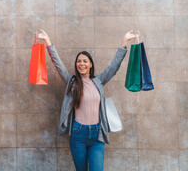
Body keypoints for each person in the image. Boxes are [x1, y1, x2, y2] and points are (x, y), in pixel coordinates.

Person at [37, 29, 139, 171]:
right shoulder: (71, 81)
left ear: (91, 64)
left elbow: (113, 67)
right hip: (78, 134)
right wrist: (47, 42)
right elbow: (58, 64)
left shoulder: (99, 81)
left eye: (85, 61)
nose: (81, 64)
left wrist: (124, 42)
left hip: (97, 135)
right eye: (79, 61)